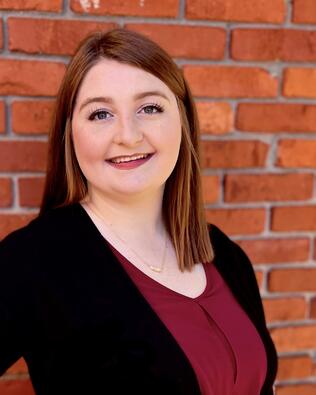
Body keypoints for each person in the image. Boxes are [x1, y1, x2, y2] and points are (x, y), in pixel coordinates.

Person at [0, 28, 277, 395]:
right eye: (100, 114)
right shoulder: (35, 260)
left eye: (149, 108)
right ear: (71, 134)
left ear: (182, 120)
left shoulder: (223, 253)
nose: (128, 135)